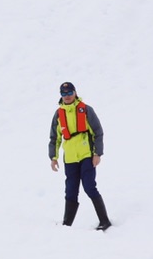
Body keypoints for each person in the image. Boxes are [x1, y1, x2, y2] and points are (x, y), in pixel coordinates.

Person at [47, 83, 111, 230]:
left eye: (70, 92)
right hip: (69, 158)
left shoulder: (86, 110)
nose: (67, 96)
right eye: (64, 94)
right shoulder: (58, 114)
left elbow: (98, 132)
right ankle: (67, 225)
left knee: (89, 187)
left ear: (75, 93)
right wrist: (53, 157)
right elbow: (54, 138)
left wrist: (97, 153)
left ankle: (104, 221)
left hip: (86, 155)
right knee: (70, 190)